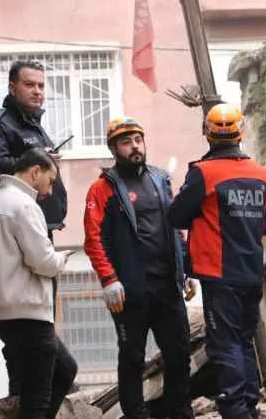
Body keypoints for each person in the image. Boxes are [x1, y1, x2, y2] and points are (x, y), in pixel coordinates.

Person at [168, 104, 266, 419]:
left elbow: (176, 215)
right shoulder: (260, 173)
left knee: (225, 344)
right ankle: (248, 406)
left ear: (208, 134)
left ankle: (234, 410)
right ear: (241, 132)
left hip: (219, 273)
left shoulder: (204, 173)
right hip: (250, 270)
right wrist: (246, 226)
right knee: (244, 340)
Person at [83, 117, 195, 419]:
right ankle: (136, 414)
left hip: (167, 285)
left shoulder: (160, 179)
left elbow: (175, 228)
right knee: (132, 357)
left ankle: (179, 412)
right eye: (125, 141)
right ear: (113, 148)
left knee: (179, 353)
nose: (134, 147)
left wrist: (185, 269)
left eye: (137, 140)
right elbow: (93, 239)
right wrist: (108, 279)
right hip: (128, 291)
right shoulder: (101, 189)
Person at [0, 147, 78, 419]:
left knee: (61, 371)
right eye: (50, 180)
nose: (49, 191)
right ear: (35, 171)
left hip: (1, 316)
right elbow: (43, 261)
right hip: (30, 313)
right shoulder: (24, 205)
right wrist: (62, 259)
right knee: (36, 399)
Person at [0, 60, 68, 238]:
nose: (37, 91)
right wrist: (36, 161)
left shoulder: (33, 124)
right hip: (18, 220)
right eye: (29, 85)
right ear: (12, 88)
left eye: (41, 86)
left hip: (40, 219)